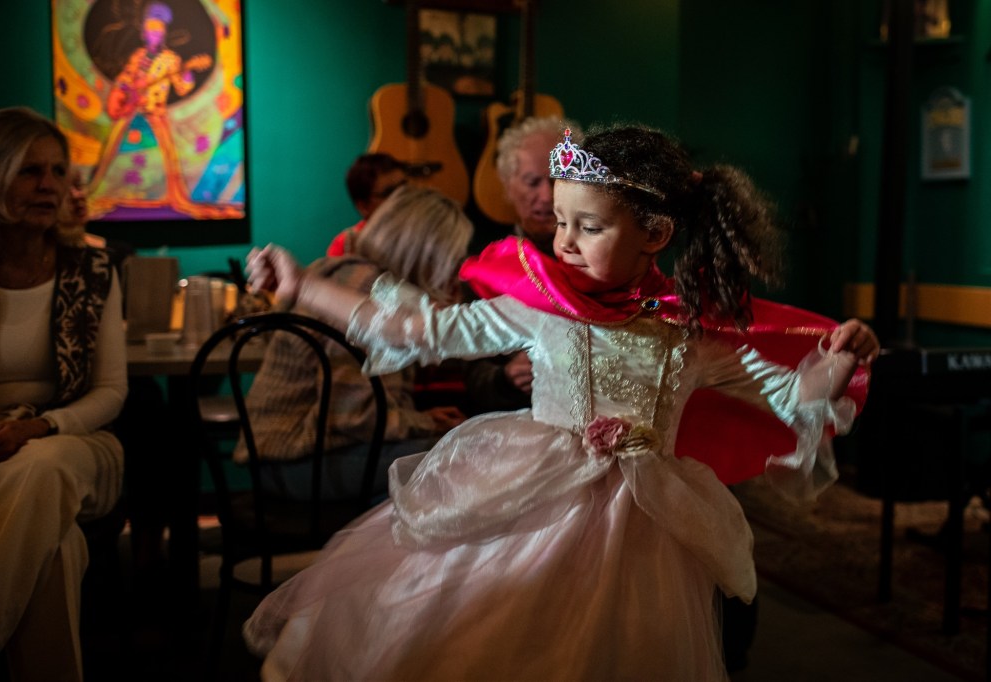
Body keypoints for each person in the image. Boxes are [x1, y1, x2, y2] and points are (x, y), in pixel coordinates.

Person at [241, 123, 878, 680]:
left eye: (589, 227)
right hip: (533, 506)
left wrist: (838, 363)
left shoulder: (691, 334)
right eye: (560, 222)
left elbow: (792, 398)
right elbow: (417, 329)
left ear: (655, 233)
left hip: (642, 529)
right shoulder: (540, 309)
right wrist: (301, 287)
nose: (565, 242)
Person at [0, 107, 127, 681]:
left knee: (40, 466)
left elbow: (111, 392)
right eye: (29, 171)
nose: (49, 185)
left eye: (59, 171)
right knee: (57, 548)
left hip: (77, 442)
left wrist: (39, 428)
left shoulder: (94, 268)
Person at [237, 184, 469, 501]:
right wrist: (425, 423)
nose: (455, 275)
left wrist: (423, 420)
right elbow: (356, 416)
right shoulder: (370, 292)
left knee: (443, 454)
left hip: (283, 452)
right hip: (291, 456)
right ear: (428, 255)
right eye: (452, 262)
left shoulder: (344, 274)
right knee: (455, 459)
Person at [463, 116, 583, 414]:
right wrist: (505, 378)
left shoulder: (600, 259)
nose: (547, 195)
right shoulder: (487, 265)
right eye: (533, 182)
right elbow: (470, 373)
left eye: (558, 180)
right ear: (508, 186)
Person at [87, 1, 231, 220]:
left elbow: (182, 87)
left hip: (154, 113)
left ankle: (168, 196)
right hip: (131, 112)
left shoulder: (171, 60)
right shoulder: (138, 55)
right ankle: (106, 192)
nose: (153, 35)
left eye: (157, 31)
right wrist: (121, 92)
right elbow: (126, 78)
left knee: (167, 158)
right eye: (150, 31)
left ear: (163, 34)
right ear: (144, 33)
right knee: (112, 151)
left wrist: (186, 72)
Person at [325, 153, 407, 257]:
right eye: (390, 193)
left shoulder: (423, 229)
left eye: (405, 188)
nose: (404, 197)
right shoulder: (346, 246)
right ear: (363, 206)